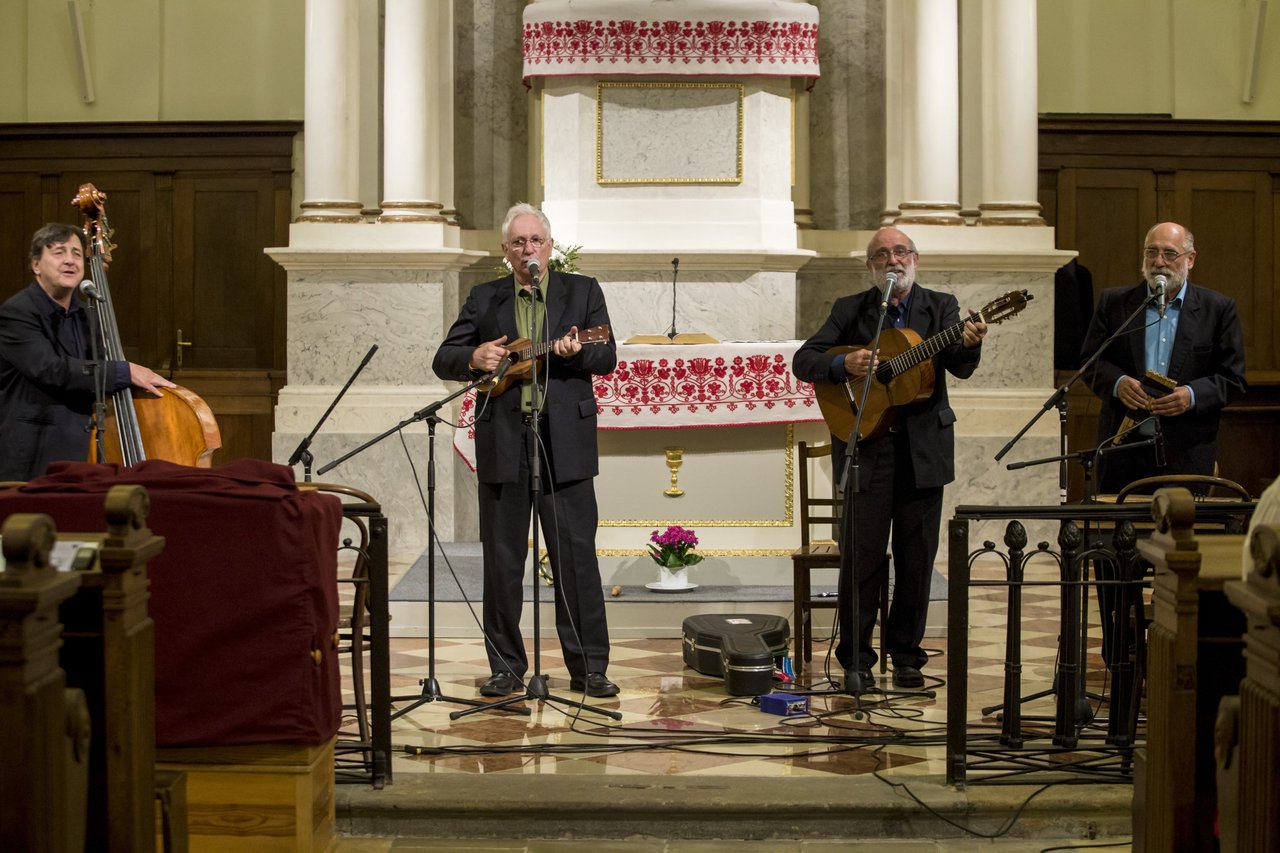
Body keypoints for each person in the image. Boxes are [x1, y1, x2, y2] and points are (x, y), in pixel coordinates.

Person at [432, 202, 620, 698]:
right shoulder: (485, 298)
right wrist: (474, 355)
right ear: (505, 252)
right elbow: (443, 358)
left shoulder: (583, 292)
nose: (528, 249)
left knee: (576, 560)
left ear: (550, 246)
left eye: (535, 241)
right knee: (502, 560)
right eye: (518, 243)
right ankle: (506, 667)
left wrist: (580, 350)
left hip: (566, 445)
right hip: (504, 442)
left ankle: (590, 669)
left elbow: (607, 355)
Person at [792, 226, 987, 691]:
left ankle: (907, 657)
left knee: (916, 558)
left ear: (915, 259)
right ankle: (856, 658)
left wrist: (972, 340)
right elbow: (805, 360)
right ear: (871, 266)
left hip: (923, 452)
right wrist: (845, 365)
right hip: (868, 448)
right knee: (862, 557)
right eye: (881, 255)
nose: (892, 261)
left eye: (900, 252)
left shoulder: (941, 307)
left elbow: (959, 365)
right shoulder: (851, 309)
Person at [1079, 221, 1246, 496]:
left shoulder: (1217, 309)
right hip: (1122, 452)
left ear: (1190, 259)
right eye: (1151, 252)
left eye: (1170, 254)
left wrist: (1190, 395)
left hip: (1186, 454)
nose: (1159, 262)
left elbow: (1233, 378)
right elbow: (1089, 362)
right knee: (1118, 536)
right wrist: (1117, 383)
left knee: (1179, 537)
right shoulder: (1116, 303)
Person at [0, 222, 174, 482]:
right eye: (59, 252)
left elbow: (98, 371)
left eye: (77, 254)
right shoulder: (17, 313)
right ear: (36, 265)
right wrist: (124, 370)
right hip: (31, 457)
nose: (70, 261)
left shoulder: (88, 315)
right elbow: (52, 369)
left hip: (82, 452)